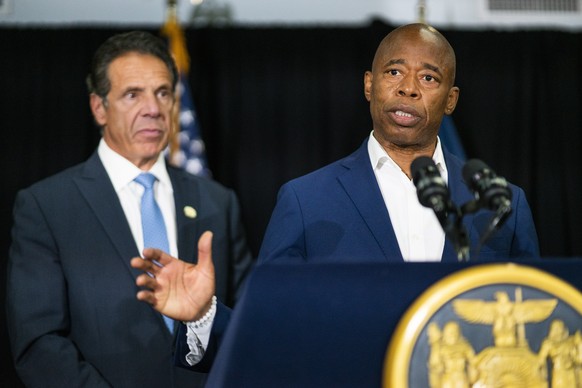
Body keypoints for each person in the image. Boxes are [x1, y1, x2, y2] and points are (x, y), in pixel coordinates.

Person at [131, 23, 540, 372]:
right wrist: (204, 315)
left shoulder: (502, 204)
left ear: (450, 100)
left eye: (429, 78)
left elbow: (536, 328)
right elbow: (271, 330)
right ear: (369, 84)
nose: (409, 89)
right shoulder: (306, 201)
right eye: (394, 72)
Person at [6, 31, 254, 388]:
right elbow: (39, 343)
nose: (153, 108)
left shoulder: (218, 201)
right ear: (98, 107)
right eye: (132, 94)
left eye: (163, 93)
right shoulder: (46, 206)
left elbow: (249, 323)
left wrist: (202, 317)